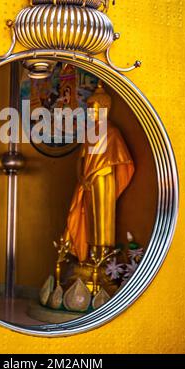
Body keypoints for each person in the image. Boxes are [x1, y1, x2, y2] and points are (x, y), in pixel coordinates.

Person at [63, 81, 135, 263]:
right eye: (88, 109)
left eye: (93, 109)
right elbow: (81, 159)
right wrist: (81, 178)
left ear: (104, 109)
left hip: (103, 180)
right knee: (88, 219)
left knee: (103, 218)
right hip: (87, 182)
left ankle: (101, 259)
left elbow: (119, 159)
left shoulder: (112, 132)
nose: (90, 113)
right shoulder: (89, 133)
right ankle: (88, 256)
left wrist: (94, 174)